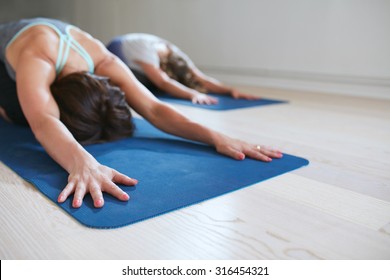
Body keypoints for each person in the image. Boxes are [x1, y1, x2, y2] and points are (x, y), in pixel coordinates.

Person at [0, 18, 283, 208]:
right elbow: (43, 119)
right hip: (8, 55)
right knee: (20, 114)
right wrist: (83, 163)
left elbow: (154, 109)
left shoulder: (104, 60)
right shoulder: (39, 59)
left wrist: (217, 137)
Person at [107, 33, 259, 105]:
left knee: (158, 84)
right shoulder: (147, 52)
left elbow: (201, 78)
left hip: (136, 59)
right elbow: (163, 82)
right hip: (113, 58)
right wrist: (191, 93)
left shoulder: (177, 53)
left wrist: (229, 90)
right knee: (149, 85)